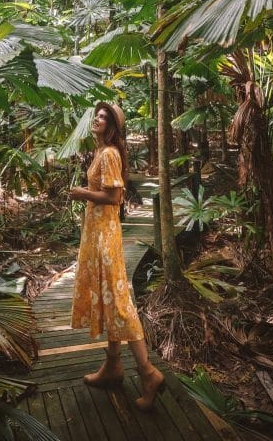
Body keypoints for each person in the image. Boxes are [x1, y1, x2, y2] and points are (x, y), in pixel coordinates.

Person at [69, 101, 165, 412]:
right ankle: (112, 367)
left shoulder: (109, 153)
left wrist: (83, 193)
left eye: (104, 117)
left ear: (112, 128)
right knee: (111, 299)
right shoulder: (101, 152)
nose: (97, 119)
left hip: (105, 234)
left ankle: (148, 373)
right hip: (97, 233)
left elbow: (114, 197)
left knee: (119, 303)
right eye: (96, 114)